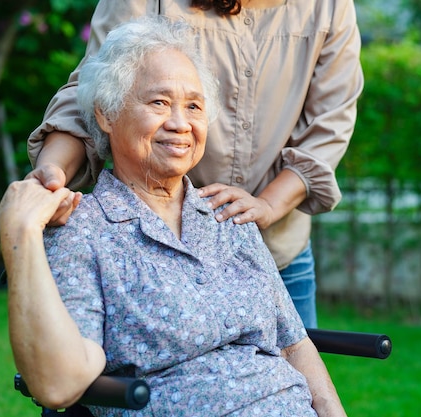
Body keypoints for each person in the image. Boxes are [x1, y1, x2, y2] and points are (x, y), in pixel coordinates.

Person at [0, 17, 346, 416]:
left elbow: (293, 344)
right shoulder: (84, 231)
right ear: (106, 114)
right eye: (159, 102)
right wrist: (23, 234)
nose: (181, 124)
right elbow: (58, 386)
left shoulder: (228, 217)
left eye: (194, 106)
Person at [26, 0, 364, 329]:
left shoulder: (329, 6)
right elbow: (96, 90)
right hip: (156, 255)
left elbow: (330, 124)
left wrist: (269, 204)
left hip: (278, 249)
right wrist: (52, 176)